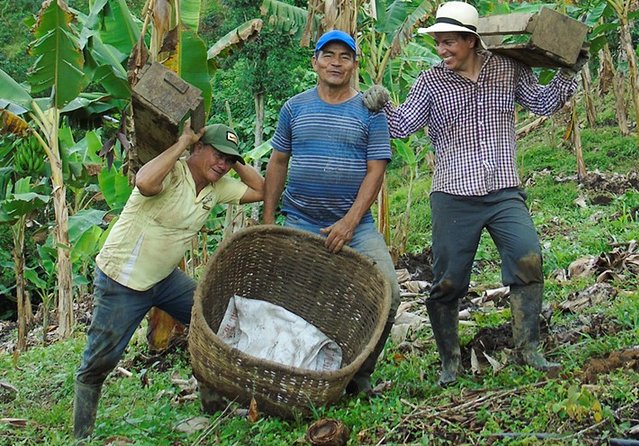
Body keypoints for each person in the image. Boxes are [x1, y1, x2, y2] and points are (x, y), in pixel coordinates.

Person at [363, 2, 587, 386]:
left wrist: (568, 72)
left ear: (470, 40)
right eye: (438, 43)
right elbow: (402, 126)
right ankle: (450, 361)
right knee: (448, 281)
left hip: (503, 190)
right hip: (453, 194)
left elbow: (543, 103)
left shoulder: (507, 68)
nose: (442, 49)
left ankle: (528, 348)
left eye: (449, 42)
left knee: (527, 258)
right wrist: (380, 104)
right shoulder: (430, 83)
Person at [73, 123, 264, 439]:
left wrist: (233, 157)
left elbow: (261, 189)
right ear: (198, 149)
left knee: (211, 319)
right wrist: (183, 143)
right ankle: (81, 435)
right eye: (217, 155)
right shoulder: (172, 172)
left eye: (229, 160)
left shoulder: (217, 187)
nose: (223, 164)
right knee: (99, 360)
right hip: (123, 279)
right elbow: (144, 181)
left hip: (163, 279)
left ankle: (213, 403)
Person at [262, 30, 401, 394]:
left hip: (356, 226)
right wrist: (268, 220)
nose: (335, 63)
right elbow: (278, 161)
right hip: (301, 220)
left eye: (344, 56)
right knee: (292, 298)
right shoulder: (294, 108)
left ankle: (358, 376)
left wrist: (349, 221)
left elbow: (376, 170)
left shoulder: (369, 112)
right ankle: (295, 376)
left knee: (389, 294)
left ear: (355, 64)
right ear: (315, 62)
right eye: (328, 55)